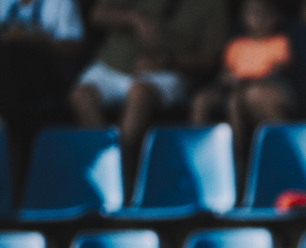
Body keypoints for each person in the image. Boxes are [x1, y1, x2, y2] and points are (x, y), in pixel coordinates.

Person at [69, 0, 226, 182]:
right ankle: (107, 161)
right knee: (81, 95)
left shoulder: (213, 4)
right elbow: (97, 14)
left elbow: (210, 59)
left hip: (166, 71)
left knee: (139, 92)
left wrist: (166, 61)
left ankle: (119, 171)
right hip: (113, 64)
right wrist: (133, 18)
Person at [0, 0, 85, 163]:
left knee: (16, 51)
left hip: (46, 81)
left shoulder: (60, 3)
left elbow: (74, 49)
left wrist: (31, 39)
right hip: (1, 80)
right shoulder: (2, 3)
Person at [190, 0, 295, 154]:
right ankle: (197, 150)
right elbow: (224, 74)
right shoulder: (236, 45)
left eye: (266, 14)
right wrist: (229, 80)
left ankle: (237, 153)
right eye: (254, 14)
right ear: (243, 17)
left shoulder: (279, 42)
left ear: (277, 17)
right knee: (202, 100)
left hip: (261, 87)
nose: (260, 19)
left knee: (235, 101)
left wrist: (247, 81)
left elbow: (278, 72)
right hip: (232, 87)